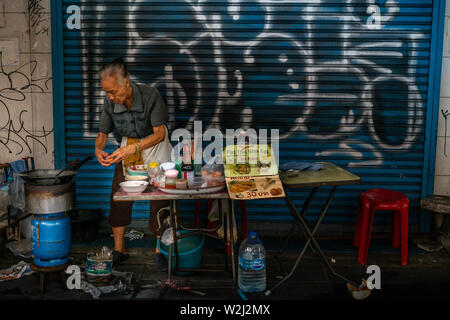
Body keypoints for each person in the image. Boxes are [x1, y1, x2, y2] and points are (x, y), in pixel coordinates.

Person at [95, 58, 173, 269]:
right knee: (118, 196)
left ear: (126, 83)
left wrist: (135, 148)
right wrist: (98, 149)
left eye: (113, 92)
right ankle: (119, 249)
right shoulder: (110, 101)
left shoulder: (150, 96)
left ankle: (160, 249)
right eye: (107, 93)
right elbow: (102, 132)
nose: (110, 97)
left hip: (156, 148)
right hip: (128, 148)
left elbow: (159, 133)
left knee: (159, 200)